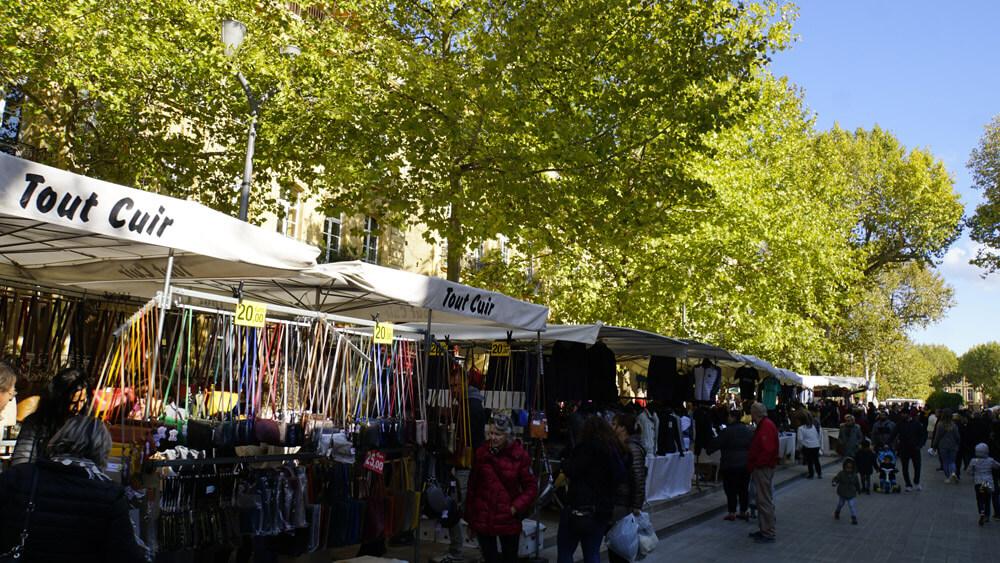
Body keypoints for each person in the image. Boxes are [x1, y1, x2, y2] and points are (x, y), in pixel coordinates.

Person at [0, 415, 149, 562]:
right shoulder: (110, 494)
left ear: (59, 438)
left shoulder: (18, 476)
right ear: (103, 449)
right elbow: (126, 554)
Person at [465, 414, 537, 563]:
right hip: (484, 517)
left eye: (498, 434)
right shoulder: (481, 453)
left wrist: (515, 508)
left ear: (507, 435)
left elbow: (531, 488)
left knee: (510, 558)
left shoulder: (519, 456)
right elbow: (472, 487)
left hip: (508, 519)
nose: (493, 437)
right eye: (491, 433)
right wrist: (471, 518)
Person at [558, 415, 626, 563]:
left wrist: (564, 463)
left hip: (579, 507)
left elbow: (572, 469)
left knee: (565, 551)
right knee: (592, 553)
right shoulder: (613, 450)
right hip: (602, 510)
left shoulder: (585, 448)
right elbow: (620, 475)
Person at [443, 367, 489, 563]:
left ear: (465, 383)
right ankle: (462, 551)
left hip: (468, 467)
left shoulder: (471, 407)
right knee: (457, 509)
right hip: (463, 465)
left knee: (465, 510)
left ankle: (479, 552)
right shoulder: (466, 404)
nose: (454, 389)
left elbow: (475, 441)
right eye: (451, 386)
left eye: (456, 385)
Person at [12, 367, 89, 465]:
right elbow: (22, 460)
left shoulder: (85, 426)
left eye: (82, 401)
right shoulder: (36, 423)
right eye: (72, 403)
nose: (78, 407)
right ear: (58, 400)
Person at [609, 413, 647, 563]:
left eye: (614, 424)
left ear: (623, 428)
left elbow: (638, 477)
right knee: (616, 544)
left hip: (624, 503)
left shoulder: (632, 448)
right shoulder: (620, 446)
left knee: (622, 546)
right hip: (618, 501)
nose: (611, 427)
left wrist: (636, 504)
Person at [707, 409, 753, 521]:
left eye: (729, 416)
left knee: (731, 489)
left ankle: (732, 512)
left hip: (730, 464)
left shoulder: (727, 431)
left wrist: (709, 449)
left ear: (733, 417)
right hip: (745, 464)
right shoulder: (748, 430)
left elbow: (716, 443)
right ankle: (743, 510)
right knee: (743, 489)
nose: (728, 418)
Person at [747, 402, 778, 544]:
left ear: (755, 413)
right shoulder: (766, 425)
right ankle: (764, 528)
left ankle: (768, 531)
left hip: (763, 468)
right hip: (762, 467)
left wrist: (757, 464)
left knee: (764, 500)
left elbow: (767, 450)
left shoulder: (765, 426)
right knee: (762, 499)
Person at [891, 408, 927, 492]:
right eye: (902, 414)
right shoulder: (900, 424)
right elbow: (893, 434)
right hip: (904, 448)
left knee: (917, 466)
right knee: (905, 467)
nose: (902, 415)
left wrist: (920, 445)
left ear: (908, 414)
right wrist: (887, 443)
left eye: (904, 414)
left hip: (915, 448)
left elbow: (922, 435)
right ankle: (908, 484)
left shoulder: (916, 423)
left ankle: (916, 482)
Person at [967, 443, 1000, 526]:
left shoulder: (974, 461)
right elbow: (997, 466)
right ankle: (987, 515)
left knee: (980, 498)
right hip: (987, 482)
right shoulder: (990, 460)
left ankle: (982, 512)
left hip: (978, 483)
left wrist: (973, 473)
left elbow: (969, 471)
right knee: (987, 499)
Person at [932, 411, 961, 482]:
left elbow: (937, 436)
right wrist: (958, 443)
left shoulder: (940, 424)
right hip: (953, 445)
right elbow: (957, 436)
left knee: (945, 462)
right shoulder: (954, 425)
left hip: (943, 445)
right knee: (952, 461)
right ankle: (953, 473)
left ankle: (948, 477)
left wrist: (934, 445)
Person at [831, 457, 862, 525]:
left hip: (851, 492)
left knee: (851, 505)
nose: (848, 469)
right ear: (844, 467)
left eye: (850, 468)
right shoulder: (841, 473)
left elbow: (857, 483)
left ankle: (854, 517)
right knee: (840, 504)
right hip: (843, 492)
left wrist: (859, 490)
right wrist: (834, 482)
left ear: (853, 468)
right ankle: (837, 512)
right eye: (847, 468)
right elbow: (836, 478)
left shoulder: (854, 475)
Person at [797, 412, 823, 479]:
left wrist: (801, 447)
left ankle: (811, 474)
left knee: (809, 461)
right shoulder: (813, 426)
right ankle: (819, 473)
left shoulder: (800, 428)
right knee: (816, 460)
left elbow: (800, 439)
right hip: (816, 445)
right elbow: (816, 435)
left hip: (808, 446)